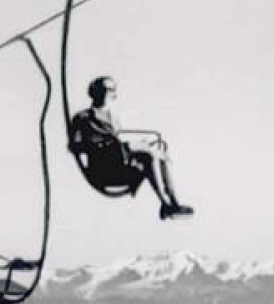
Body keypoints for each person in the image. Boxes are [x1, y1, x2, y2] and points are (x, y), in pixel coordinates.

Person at [68, 76, 193, 219]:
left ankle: (172, 203)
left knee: (155, 154)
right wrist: (98, 146)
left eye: (110, 90)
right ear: (94, 91)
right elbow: (75, 147)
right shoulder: (83, 117)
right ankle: (166, 202)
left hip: (120, 164)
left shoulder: (113, 117)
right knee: (147, 152)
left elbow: (119, 139)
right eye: (104, 89)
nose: (107, 93)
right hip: (103, 170)